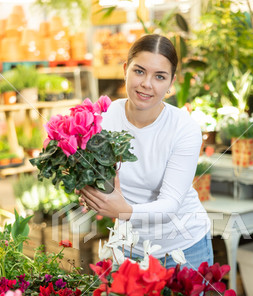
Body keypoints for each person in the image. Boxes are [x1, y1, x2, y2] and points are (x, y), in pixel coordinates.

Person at [79, 34, 213, 270]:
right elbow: (99, 176)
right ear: (125, 70)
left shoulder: (183, 127)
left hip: (183, 248)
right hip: (129, 247)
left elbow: (170, 204)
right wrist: (91, 192)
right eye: (139, 71)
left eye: (159, 76)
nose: (146, 84)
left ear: (171, 83)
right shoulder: (105, 118)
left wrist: (123, 211)